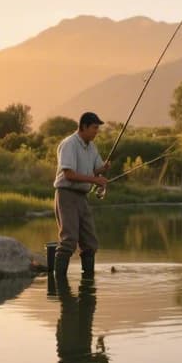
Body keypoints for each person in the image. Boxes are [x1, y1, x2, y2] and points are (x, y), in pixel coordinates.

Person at [53, 112, 111, 278]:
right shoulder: (69, 144)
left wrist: (102, 169)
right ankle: (59, 283)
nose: (96, 132)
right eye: (94, 128)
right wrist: (94, 179)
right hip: (66, 195)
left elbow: (95, 169)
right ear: (84, 126)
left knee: (90, 243)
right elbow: (69, 174)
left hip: (82, 196)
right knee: (69, 240)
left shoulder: (91, 147)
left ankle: (88, 283)